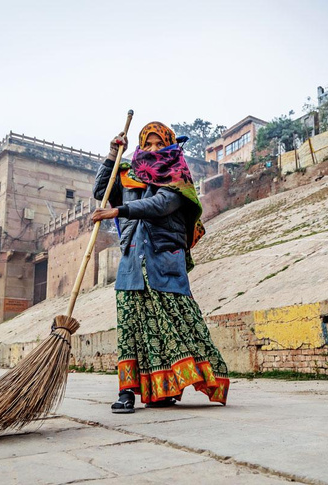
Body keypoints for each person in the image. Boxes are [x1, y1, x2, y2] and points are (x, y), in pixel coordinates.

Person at [92, 121, 230, 413]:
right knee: (130, 330)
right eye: (148, 144)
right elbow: (101, 191)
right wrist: (110, 156)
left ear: (169, 145)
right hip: (131, 263)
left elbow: (161, 205)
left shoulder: (177, 175)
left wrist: (120, 210)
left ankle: (173, 386)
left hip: (165, 261)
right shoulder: (129, 175)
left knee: (179, 324)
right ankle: (127, 391)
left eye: (159, 143)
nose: (154, 149)